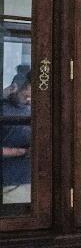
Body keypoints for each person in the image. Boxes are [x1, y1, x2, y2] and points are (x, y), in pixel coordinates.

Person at [0, 64, 33, 207]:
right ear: (15, 88)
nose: (29, 100)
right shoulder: (3, 110)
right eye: (26, 95)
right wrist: (22, 151)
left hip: (31, 179)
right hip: (9, 182)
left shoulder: (33, 110)